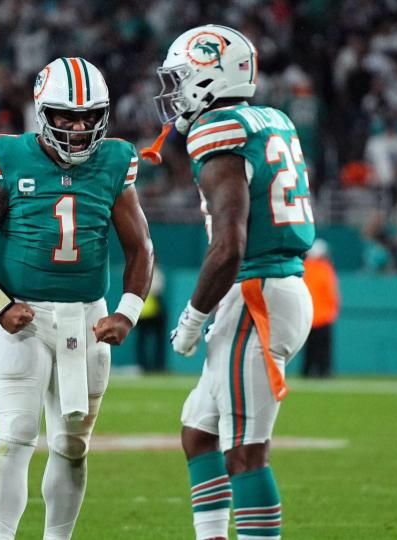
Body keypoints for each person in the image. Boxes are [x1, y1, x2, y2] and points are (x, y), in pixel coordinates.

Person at [0, 57, 153, 540]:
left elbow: (141, 248)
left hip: (87, 319)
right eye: (67, 115)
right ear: (43, 112)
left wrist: (126, 313)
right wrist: (0, 307)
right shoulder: (10, 157)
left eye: (89, 115)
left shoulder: (114, 161)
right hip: (24, 317)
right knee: (16, 434)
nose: (80, 126)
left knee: (72, 445)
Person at [155, 26, 315, 540]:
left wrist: (192, 315)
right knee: (198, 433)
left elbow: (229, 247)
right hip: (272, 285)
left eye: (181, 78)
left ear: (209, 76)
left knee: (245, 450)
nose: (174, 91)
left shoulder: (218, 130)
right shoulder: (271, 118)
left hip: (256, 292)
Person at [302, 240, 340, 378]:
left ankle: (307, 372)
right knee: (324, 350)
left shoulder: (303, 267)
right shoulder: (325, 268)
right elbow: (332, 292)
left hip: (308, 316)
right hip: (324, 316)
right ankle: (324, 372)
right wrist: (334, 310)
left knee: (309, 350)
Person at [135, 264, 167, 373]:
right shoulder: (143, 272)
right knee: (142, 341)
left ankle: (157, 365)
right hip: (145, 312)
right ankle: (145, 366)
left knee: (154, 341)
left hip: (152, 312)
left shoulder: (154, 272)